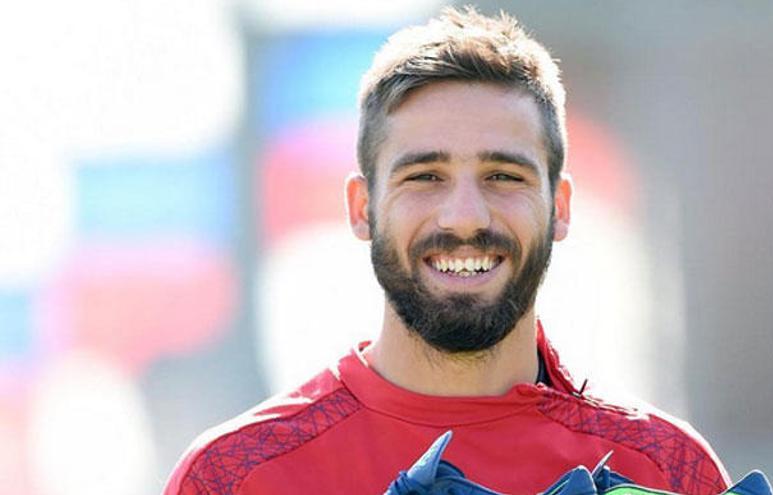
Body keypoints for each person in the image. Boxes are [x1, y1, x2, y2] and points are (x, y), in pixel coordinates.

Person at [163, 7, 731, 495]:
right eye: (424, 176)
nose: (465, 216)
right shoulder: (234, 476)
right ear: (362, 208)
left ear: (559, 206)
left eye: (503, 175)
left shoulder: (665, 470)